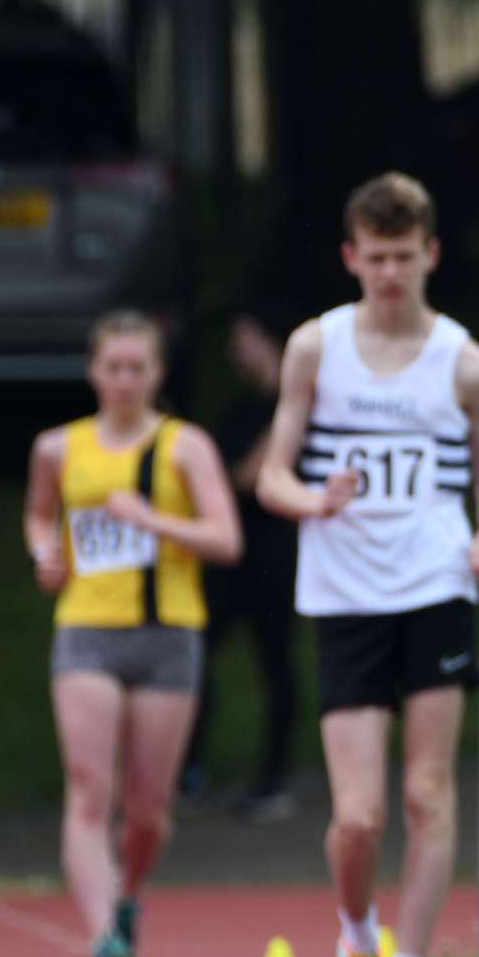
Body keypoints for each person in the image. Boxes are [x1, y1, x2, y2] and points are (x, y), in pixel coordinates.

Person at [257, 171, 479, 957]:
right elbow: (271, 473)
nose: (392, 273)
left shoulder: (466, 363)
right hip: (345, 595)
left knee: (426, 793)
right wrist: (308, 500)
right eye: (377, 258)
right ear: (351, 258)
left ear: (430, 253)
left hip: (437, 585)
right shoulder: (314, 350)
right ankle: (358, 942)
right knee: (358, 817)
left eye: (406, 257)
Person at [23, 310, 242, 957]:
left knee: (147, 809)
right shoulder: (58, 448)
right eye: (112, 367)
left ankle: (126, 897)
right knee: (90, 788)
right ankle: (100, 939)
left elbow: (226, 540)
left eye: (136, 368)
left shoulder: (185, 447)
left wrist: (151, 520)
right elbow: (39, 514)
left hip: (167, 633)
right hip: (86, 630)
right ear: (94, 372)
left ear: (156, 374)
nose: (123, 380)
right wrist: (45, 553)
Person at [180, 305, 300, 824]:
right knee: (197, 655)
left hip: (275, 556)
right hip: (229, 557)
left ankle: (273, 780)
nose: (234, 351)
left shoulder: (301, 407)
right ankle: (190, 772)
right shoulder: (241, 408)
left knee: (277, 664)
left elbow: (252, 477)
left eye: (243, 338)